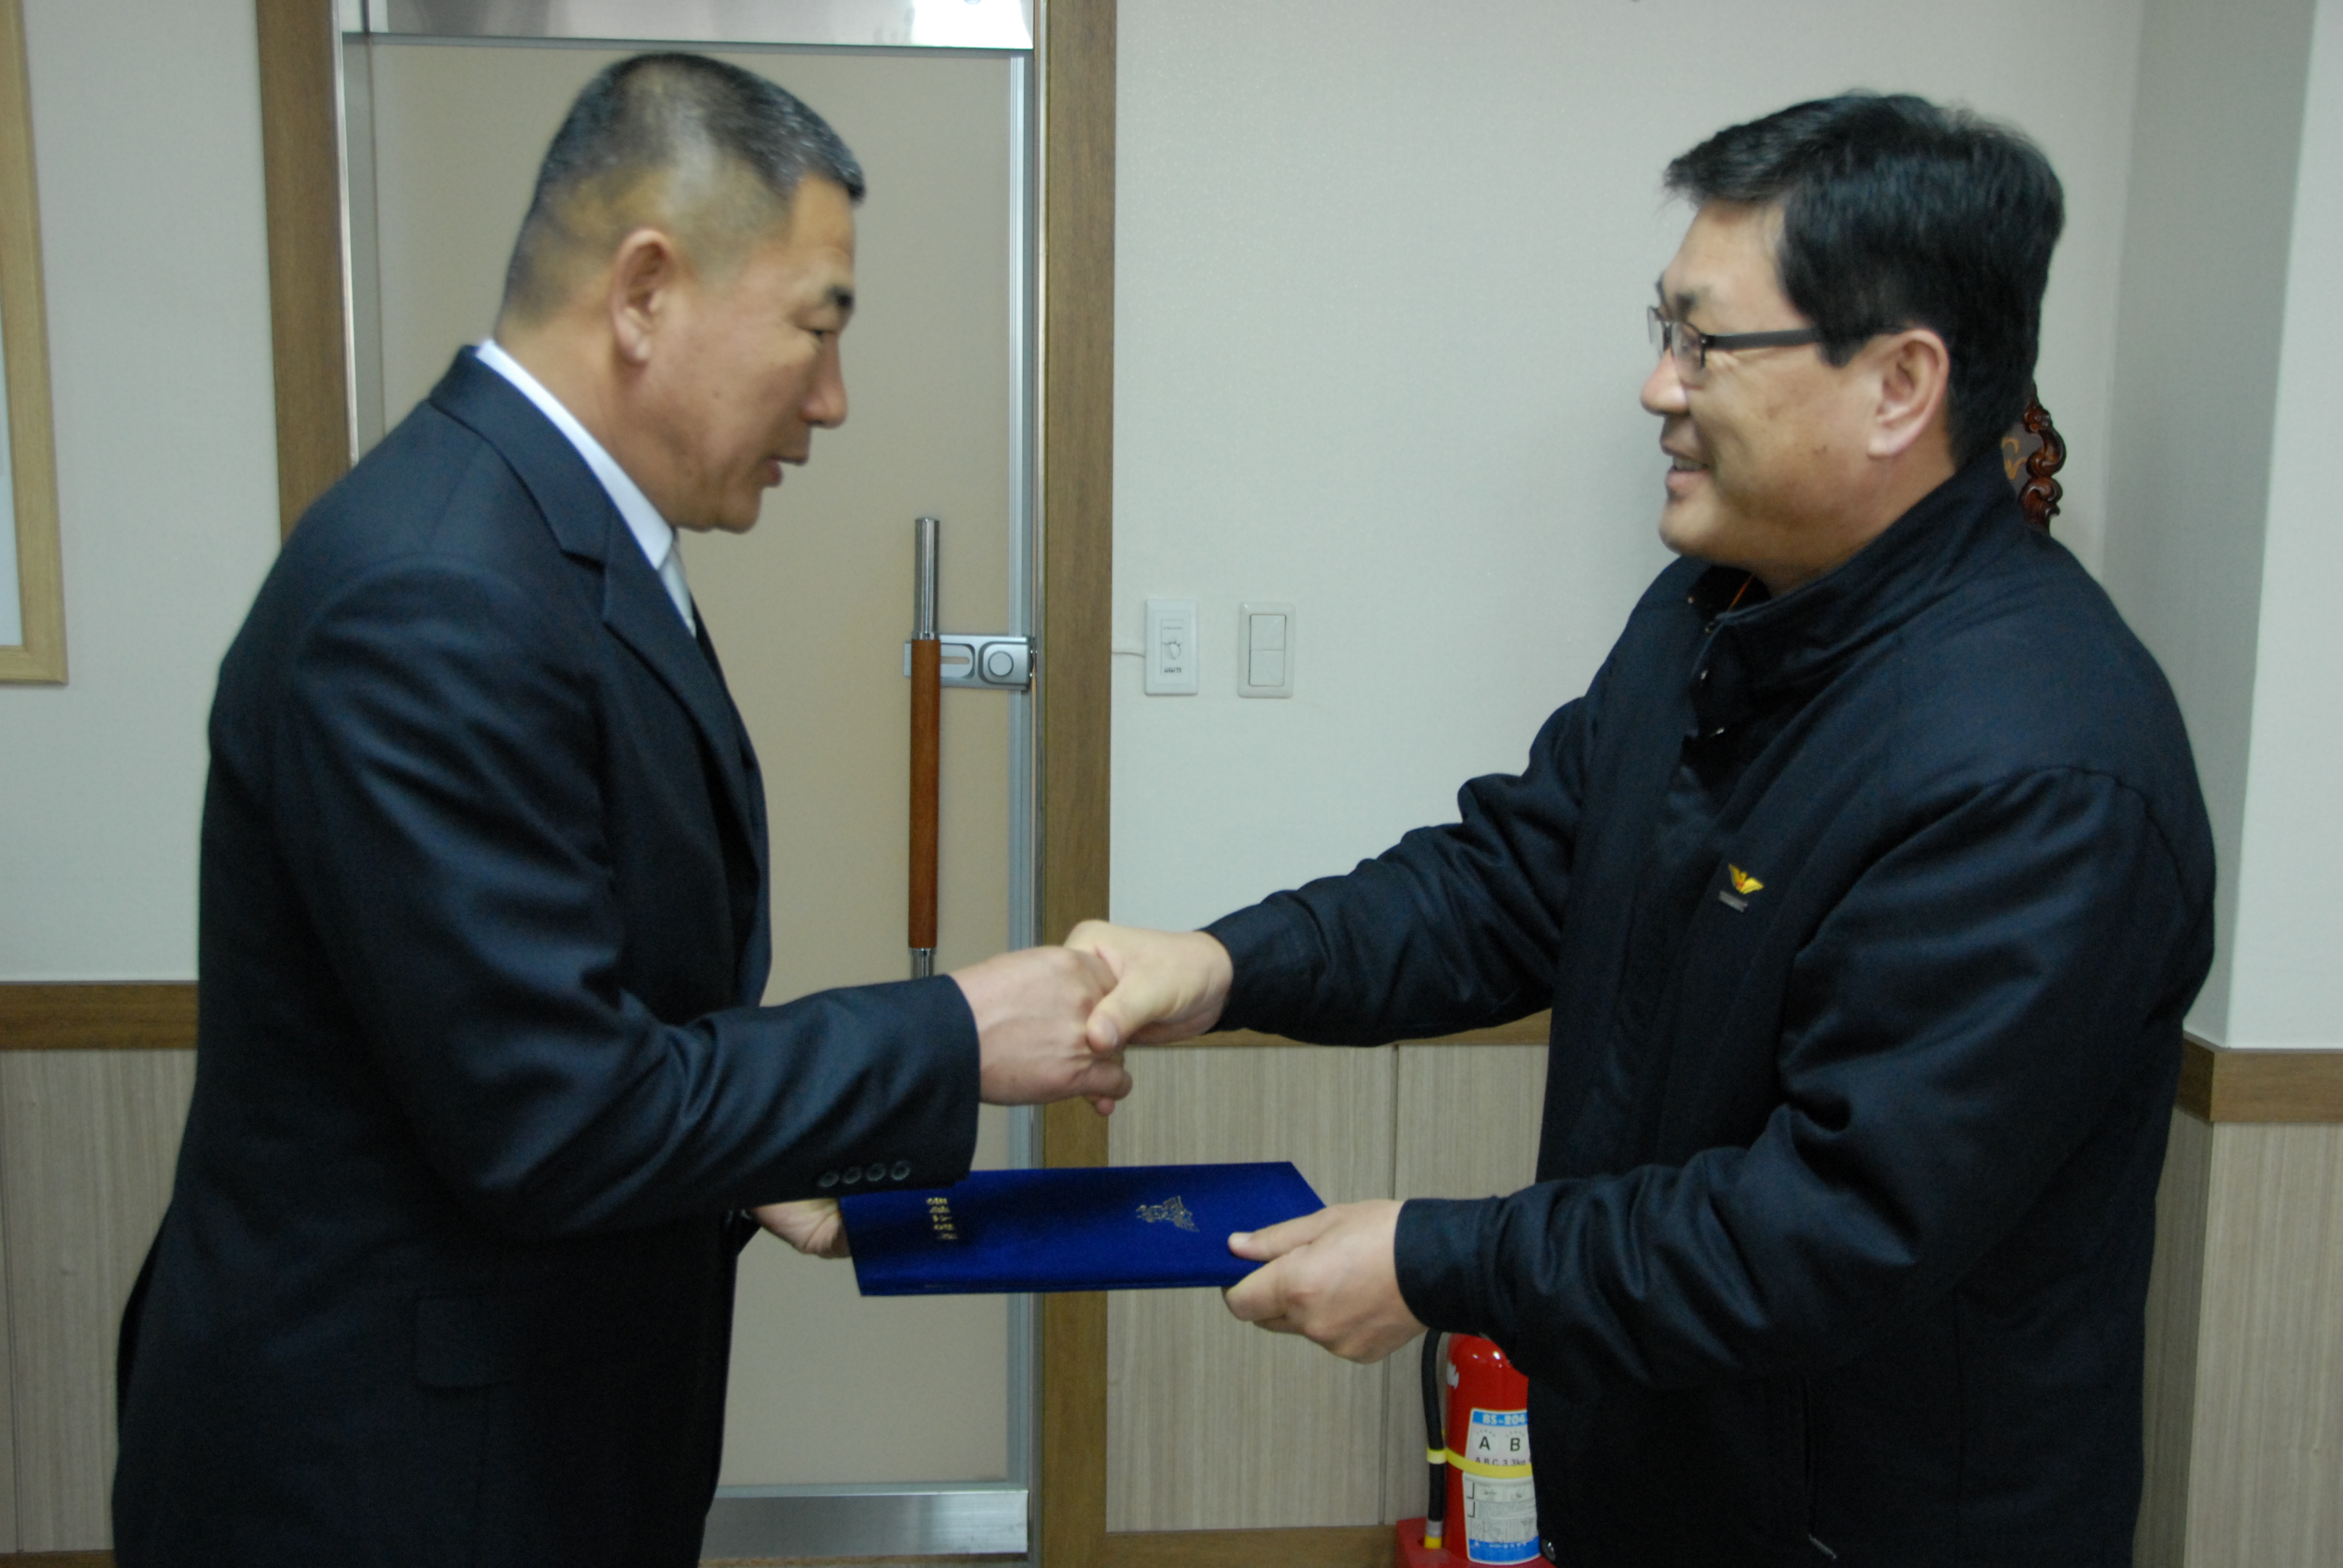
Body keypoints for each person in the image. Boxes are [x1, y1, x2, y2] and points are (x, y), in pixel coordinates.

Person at [1071, 94, 2214, 1566]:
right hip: (1651, 1475)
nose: (1656, 387)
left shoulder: (2041, 770)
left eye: (1705, 343)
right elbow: (1512, 882)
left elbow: (1828, 1228)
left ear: (1899, 385)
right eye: (1661, 330)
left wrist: (1437, 1259)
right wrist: (1225, 967)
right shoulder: (1713, 610)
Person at [113, 54, 1127, 1568]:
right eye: (816, 328)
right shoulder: (432, 592)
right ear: (646, 290)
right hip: (391, 1475)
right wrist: (955, 1034)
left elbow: (576, 1018)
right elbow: (554, 1116)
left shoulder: (542, 540)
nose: (834, 400)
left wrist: (761, 1156)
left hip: (516, 1418)